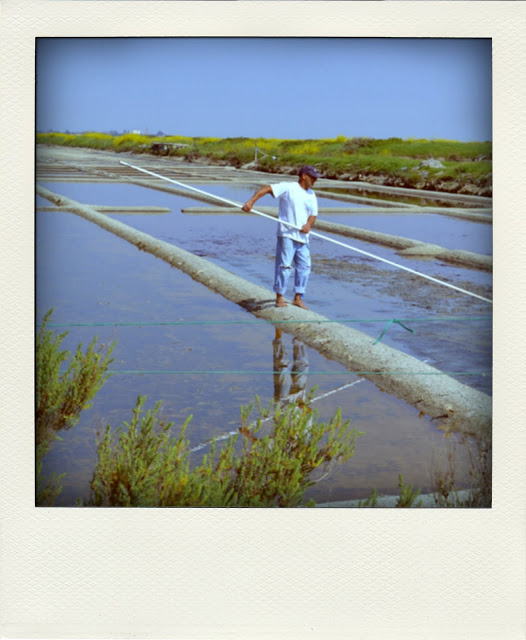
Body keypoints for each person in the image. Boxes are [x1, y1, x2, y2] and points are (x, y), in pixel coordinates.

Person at [242, 165, 320, 309]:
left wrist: (308, 225)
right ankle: (279, 297)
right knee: (285, 266)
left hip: (303, 238)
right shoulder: (289, 187)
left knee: (305, 267)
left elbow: (313, 215)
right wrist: (251, 202)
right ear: (304, 176)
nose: (315, 180)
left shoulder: (311, 194)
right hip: (287, 235)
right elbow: (267, 189)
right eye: (313, 177)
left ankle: (298, 297)